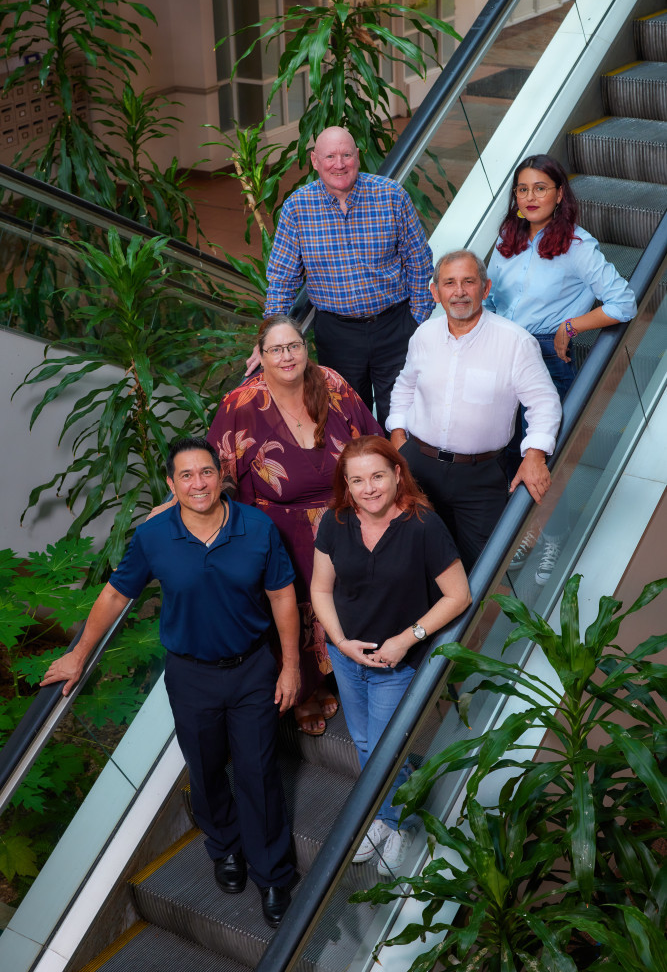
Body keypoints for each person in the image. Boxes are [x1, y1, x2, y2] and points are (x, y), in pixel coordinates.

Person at [41, 437, 300, 929]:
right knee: (203, 768)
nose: (197, 484)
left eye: (206, 472)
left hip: (251, 671)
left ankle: (272, 875)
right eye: (186, 475)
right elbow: (117, 596)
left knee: (258, 771)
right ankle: (224, 848)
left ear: (221, 475)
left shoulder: (257, 528)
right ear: (171, 483)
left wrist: (290, 666)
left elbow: (283, 597)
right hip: (191, 675)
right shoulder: (154, 535)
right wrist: (78, 653)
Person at [209, 315, 383, 735]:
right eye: (276, 349)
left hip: (346, 520)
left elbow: (371, 441)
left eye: (294, 346)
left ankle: (347, 672)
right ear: (260, 356)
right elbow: (219, 472)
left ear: (306, 350)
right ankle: (306, 690)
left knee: (350, 599)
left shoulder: (333, 383)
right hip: (281, 531)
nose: (287, 356)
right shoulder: (240, 404)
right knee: (295, 608)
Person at [311, 436, 470, 874]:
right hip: (346, 657)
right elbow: (320, 588)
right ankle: (382, 816)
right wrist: (340, 642)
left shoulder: (423, 526)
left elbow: (458, 596)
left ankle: (400, 823)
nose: (369, 488)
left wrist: (407, 637)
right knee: (363, 741)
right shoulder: (336, 521)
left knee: (385, 746)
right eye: (357, 479)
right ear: (346, 483)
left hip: (395, 663)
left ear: (397, 474)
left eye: (378, 476)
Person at [486, 153, 637, 581]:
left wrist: (571, 325)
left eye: (540, 188)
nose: (531, 197)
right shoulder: (506, 239)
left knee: (542, 454)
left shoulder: (576, 246)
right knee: (502, 452)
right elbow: (493, 301)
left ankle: (551, 539)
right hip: (502, 355)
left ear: (559, 194)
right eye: (523, 189)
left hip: (546, 362)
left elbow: (623, 303)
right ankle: (522, 534)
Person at [245, 126, 433, 430]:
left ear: (357, 157)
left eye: (346, 154)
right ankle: (357, 478)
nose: (339, 163)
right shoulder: (297, 208)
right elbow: (282, 279)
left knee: (403, 417)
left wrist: (417, 319)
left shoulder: (391, 196)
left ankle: (400, 476)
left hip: (395, 328)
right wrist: (269, 340)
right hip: (338, 335)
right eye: (330, 156)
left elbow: (419, 259)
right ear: (315, 160)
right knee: (347, 419)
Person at [386, 250, 562, 573]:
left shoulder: (515, 343)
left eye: (469, 281)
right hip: (417, 467)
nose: (459, 292)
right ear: (435, 292)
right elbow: (404, 387)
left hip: (480, 476)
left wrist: (534, 454)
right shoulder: (424, 335)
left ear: (486, 287)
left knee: (487, 566)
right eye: (449, 283)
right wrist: (398, 435)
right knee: (416, 559)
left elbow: (545, 402)